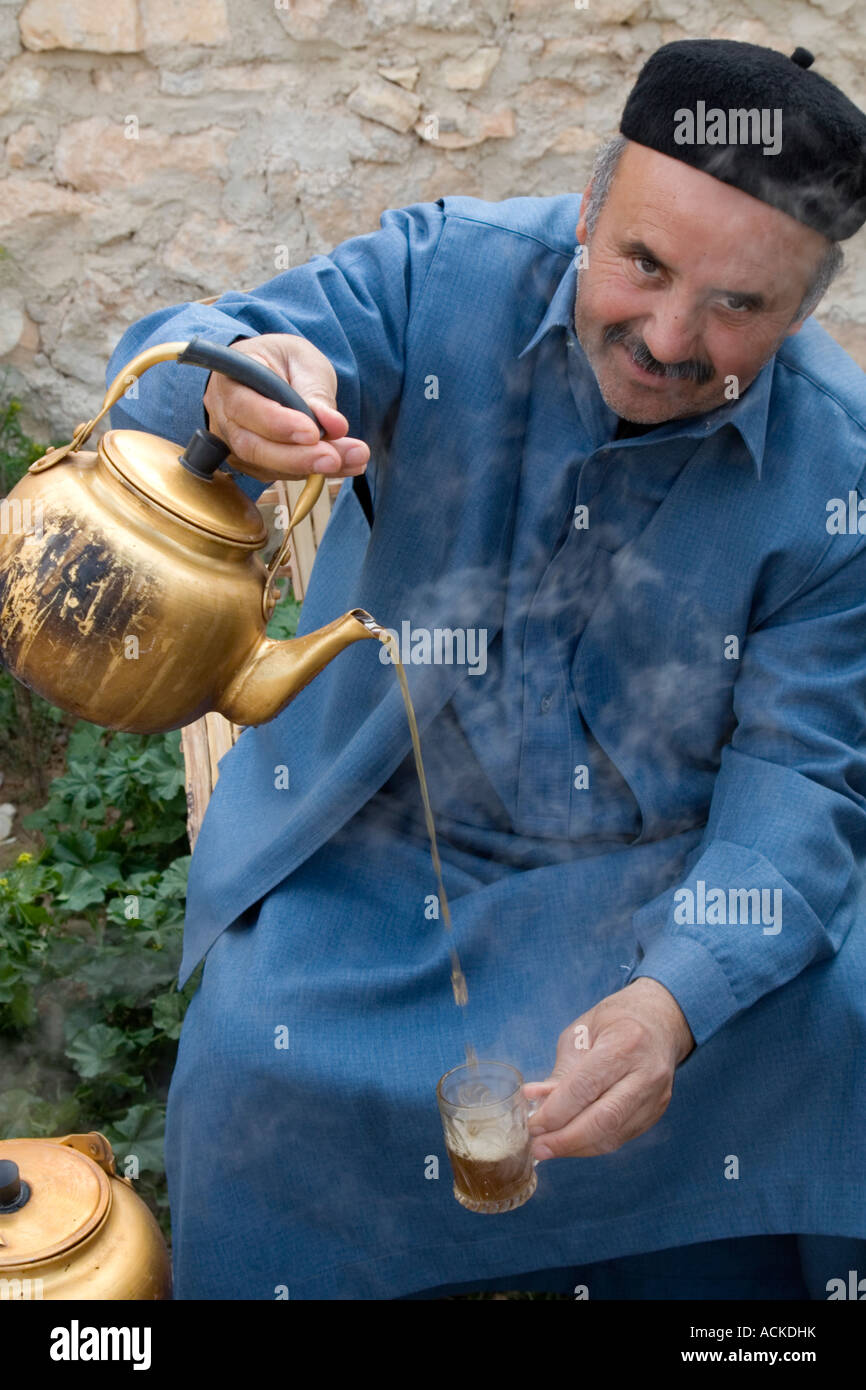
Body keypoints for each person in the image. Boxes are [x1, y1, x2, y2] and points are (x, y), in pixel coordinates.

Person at [106, 40, 866, 1299]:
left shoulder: (838, 468)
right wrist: (233, 391)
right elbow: (210, 351)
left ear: (802, 309)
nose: (668, 338)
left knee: (829, 1025)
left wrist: (667, 1006)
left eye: (737, 307)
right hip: (385, 843)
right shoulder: (441, 275)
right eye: (641, 264)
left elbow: (802, 780)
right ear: (586, 211)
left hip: (663, 872)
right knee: (254, 1055)